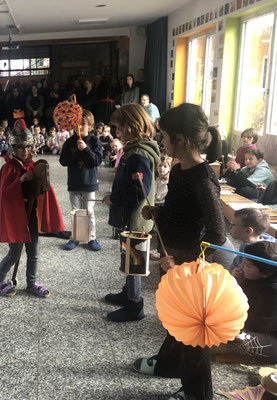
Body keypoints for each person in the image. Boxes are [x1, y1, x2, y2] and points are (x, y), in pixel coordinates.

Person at [132, 103, 226, 400]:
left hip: (191, 266)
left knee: (194, 334)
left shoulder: (203, 179)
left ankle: (197, 394)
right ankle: (169, 364)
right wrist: (158, 212)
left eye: (164, 136)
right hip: (175, 258)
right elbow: (182, 213)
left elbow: (217, 234)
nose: (162, 142)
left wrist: (185, 261)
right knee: (175, 319)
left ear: (181, 140)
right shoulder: (179, 169)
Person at [0, 120, 65, 297]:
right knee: (14, 254)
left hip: (31, 216)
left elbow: (43, 189)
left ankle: (31, 283)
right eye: (20, 147)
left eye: (28, 147)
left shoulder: (33, 166)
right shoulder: (8, 169)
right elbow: (5, 195)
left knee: (34, 253)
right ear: (13, 148)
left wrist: (41, 181)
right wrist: (20, 180)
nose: (24, 151)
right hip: (15, 218)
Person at [102, 104, 160, 322]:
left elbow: (138, 191)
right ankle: (128, 293)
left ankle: (135, 305)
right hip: (132, 216)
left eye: (120, 127)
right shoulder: (135, 149)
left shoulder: (138, 154)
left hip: (136, 218)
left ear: (133, 125)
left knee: (134, 262)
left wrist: (114, 199)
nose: (117, 132)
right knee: (129, 258)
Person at [218, 241, 277, 363]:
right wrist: (235, 283)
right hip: (248, 323)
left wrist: (239, 288)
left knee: (237, 340)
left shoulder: (272, 293)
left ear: (265, 274)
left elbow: (253, 325)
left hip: (268, 336)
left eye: (247, 266)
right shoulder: (251, 277)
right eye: (242, 261)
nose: (241, 266)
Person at [60, 109, 103, 252]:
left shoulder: (94, 141)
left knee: (89, 211)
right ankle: (75, 237)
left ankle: (91, 237)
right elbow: (63, 161)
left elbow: (97, 160)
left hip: (89, 183)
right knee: (75, 212)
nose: (80, 127)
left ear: (90, 126)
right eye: (77, 124)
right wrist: (77, 152)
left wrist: (86, 149)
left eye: (83, 124)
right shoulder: (69, 142)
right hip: (74, 182)